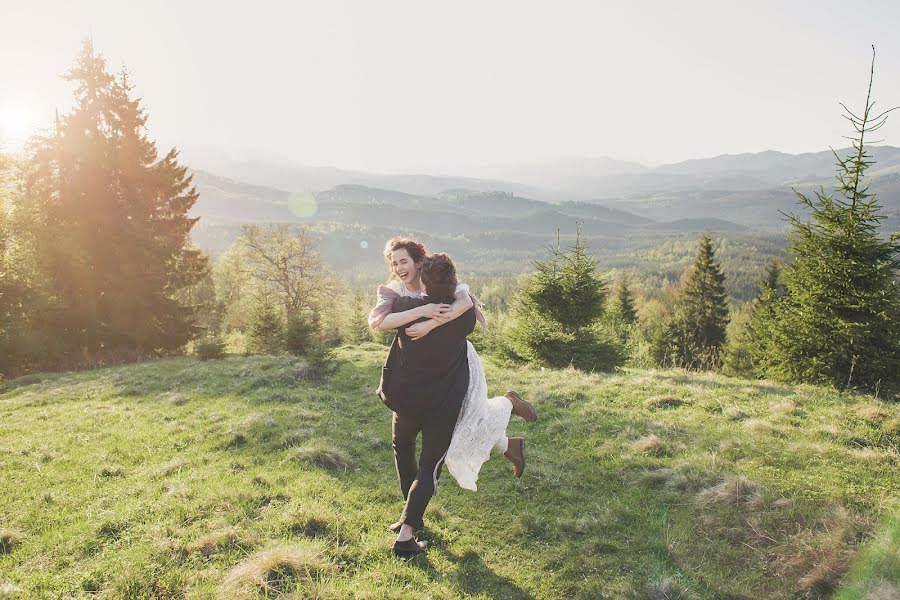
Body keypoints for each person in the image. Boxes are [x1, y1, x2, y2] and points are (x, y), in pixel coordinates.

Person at [369, 239, 537, 557]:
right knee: (420, 453)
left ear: (421, 264)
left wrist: (432, 319)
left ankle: (407, 528)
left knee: (448, 439)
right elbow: (379, 321)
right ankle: (410, 519)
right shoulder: (423, 304)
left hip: (441, 390)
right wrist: (429, 312)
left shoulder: (421, 306)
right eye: (394, 263)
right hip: (419, 393)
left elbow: (461, 300)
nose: (399, 268)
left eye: (404, 262)